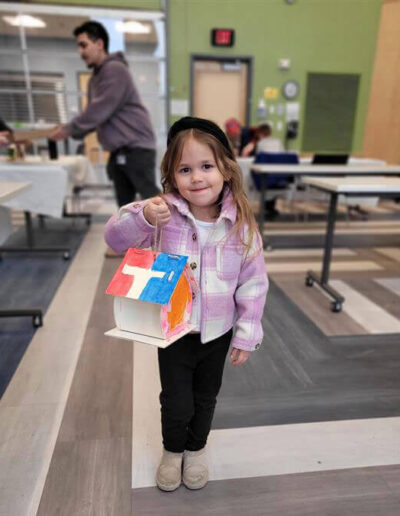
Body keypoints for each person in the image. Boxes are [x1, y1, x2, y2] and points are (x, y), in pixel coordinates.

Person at [105, 116, 268, 491]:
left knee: (206, 398)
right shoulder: (161, 213)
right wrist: (144, 218)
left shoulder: (241, 225)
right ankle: (173, 451)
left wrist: (247, 333)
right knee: (176, 400)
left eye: (206, 166)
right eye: (185, 169)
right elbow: (114, 239)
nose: (197, 177)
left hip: (217, 333)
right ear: (171, 175)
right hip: (173, 332)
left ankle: (196, 450)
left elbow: (254, 283)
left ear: (226, 169)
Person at [49, 21, 160, 209]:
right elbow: (94, 116)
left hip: (136, 149)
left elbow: (99, 110)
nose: (80, 52)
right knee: (126, 208)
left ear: (99, 44)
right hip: (119, 151)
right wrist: (72, 130)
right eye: (79, 46)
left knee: (153, 201)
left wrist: (69, 129)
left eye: (84, 45)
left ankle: (173, 227)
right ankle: (132, 230)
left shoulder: (115, 70)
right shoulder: (95, 78)